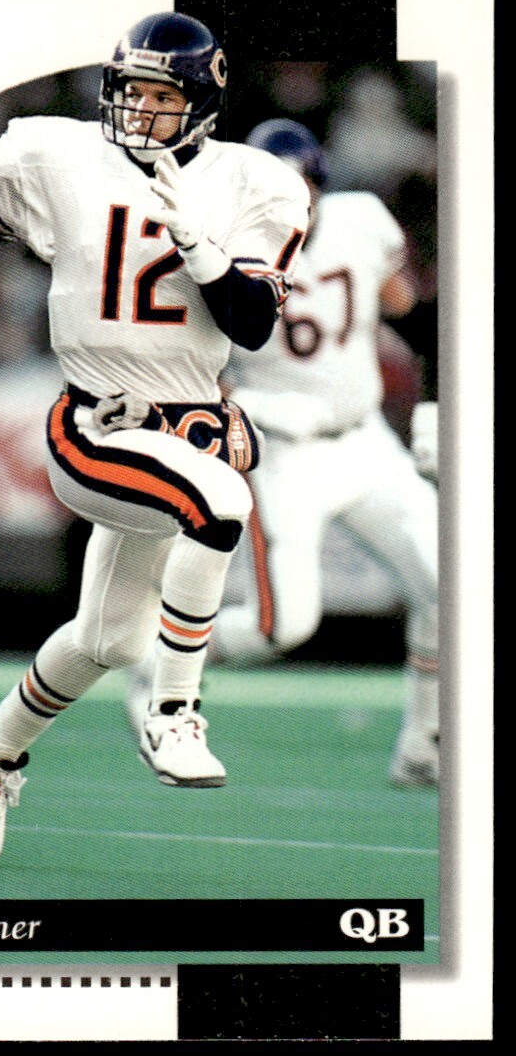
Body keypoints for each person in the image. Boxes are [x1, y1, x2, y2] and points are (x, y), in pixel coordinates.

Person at [0, 13, 310, 864]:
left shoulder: (255, 182)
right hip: (95, 424)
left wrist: (202, 248)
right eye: (131, 90)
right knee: (221, 503)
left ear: (203, 101)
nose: (140, 109)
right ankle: (175, 711)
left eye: (162, 95)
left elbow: (252, 323)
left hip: (186, 427)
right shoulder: (61, 154)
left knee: (107, 640)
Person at [186, 118, 439, 788]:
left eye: (300, 192)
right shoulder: (220, 251)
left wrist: (435, 398)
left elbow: (411, 316)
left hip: (364, 438)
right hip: (286, 454)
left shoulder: (363, 221)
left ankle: (423, 744)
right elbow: (188, 363)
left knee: (450, 585)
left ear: (322, 187)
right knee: (283, 628)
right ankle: (165, 657)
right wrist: (246, 400)